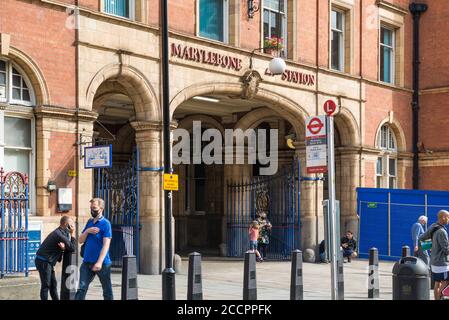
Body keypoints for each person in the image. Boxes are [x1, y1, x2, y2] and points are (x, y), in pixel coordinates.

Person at [75, 198, 113, 300]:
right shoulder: (89, 222)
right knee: (81, 288)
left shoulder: (106, 224)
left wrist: (99, 262)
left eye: (94, 208)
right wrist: (87, 231)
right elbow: (80, 240)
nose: (92, 210)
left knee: (107, 290)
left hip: (103, 263)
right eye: (91, 208)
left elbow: (106, 245)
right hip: (87, 262)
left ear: (101, 208)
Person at [35, 215, 76, 300]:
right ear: (66, 224)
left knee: (53, 285)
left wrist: (63, 249)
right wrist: (73, 234)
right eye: (71, 225)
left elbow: (65, 250)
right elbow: (72, 248)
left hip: (47, 262)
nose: (72, 227)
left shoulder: (62, 233)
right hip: (44, 261)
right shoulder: (59, 234)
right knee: (46, 285)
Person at [419, 210, 449, 300]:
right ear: (443, 217)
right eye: (448, 217)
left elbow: (421, 238)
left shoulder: (433, 226)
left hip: (434, 262)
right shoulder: (442, 232)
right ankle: (441, 297)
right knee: (446, 282)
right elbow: (446, 249)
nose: (448, 219)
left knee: (437, 283)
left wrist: (431, 247)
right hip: (442, 263)